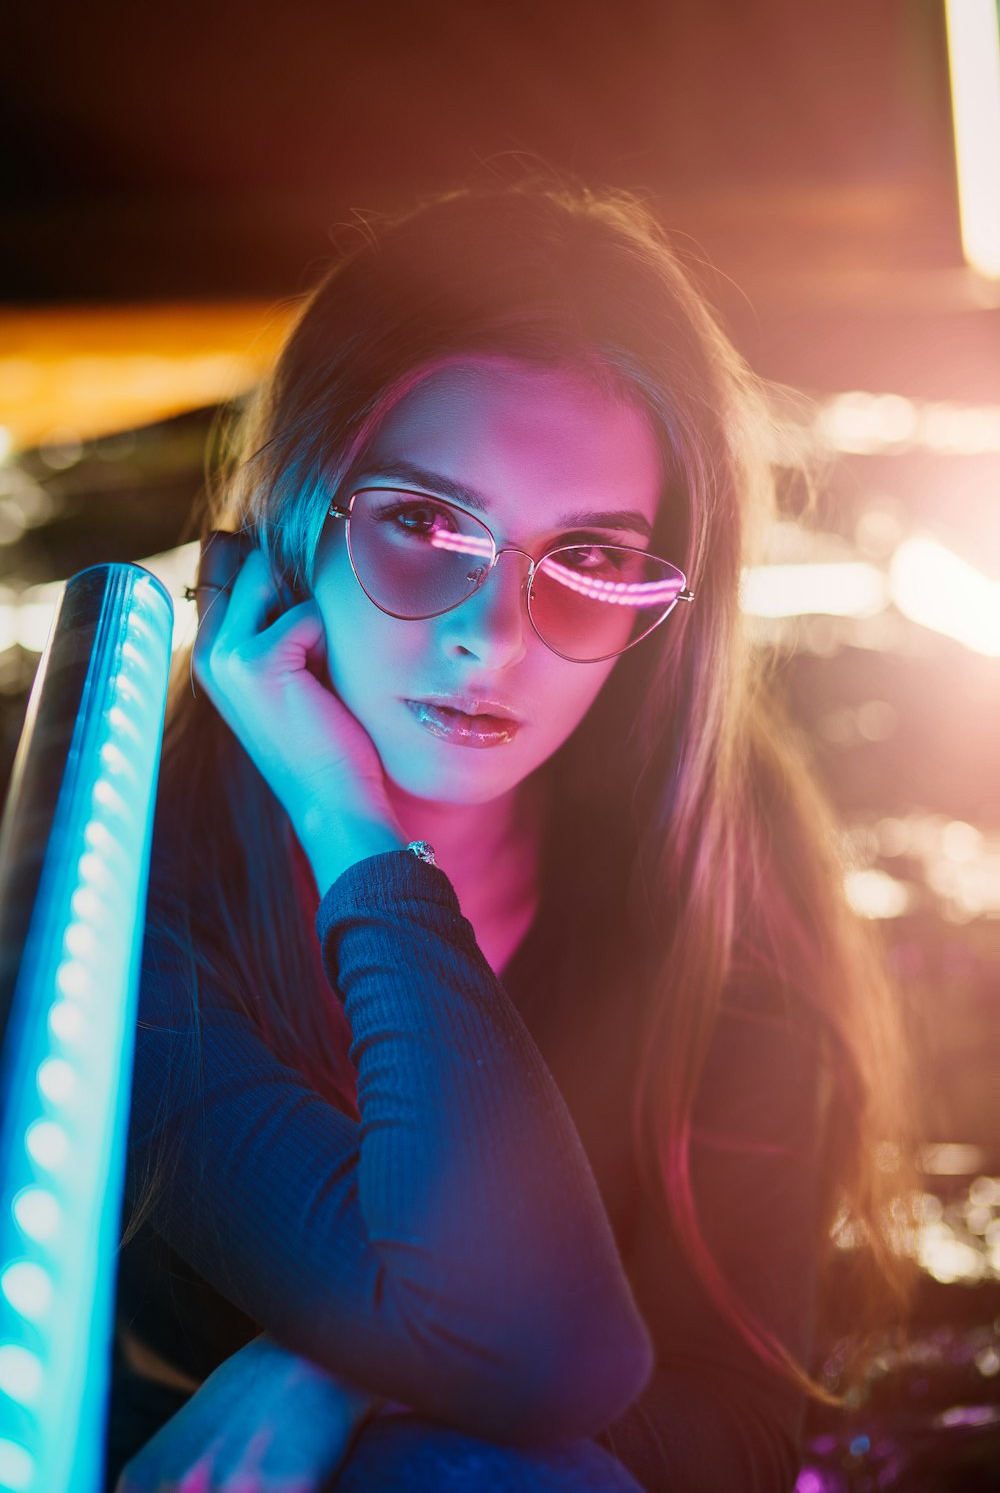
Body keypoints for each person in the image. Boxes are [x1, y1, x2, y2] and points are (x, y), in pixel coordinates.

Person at [108, 172, 917, 1492]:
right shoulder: (138, 885)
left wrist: (331, 1373)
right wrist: (343, 822)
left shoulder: (719, 863)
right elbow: (541, 1356)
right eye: (427, 525)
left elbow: (737, 1432)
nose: (493, 637)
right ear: (298, 523)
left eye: (592, 561)